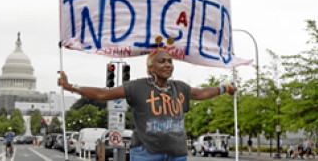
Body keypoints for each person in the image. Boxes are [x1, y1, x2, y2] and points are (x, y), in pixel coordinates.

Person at [57, 48, 237, 161]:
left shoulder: (179, 87)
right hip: (147, 153)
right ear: (151, 67)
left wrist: (225, 88)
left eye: (169, 61)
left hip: (177, 154)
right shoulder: (137, 87)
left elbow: (201, 93)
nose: (168, 65)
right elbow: (105, 93)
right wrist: (71, 86)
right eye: (162, 61)